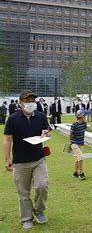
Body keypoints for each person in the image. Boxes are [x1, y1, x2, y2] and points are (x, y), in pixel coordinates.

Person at [3, 90, 51, 229]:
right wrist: (7, 159)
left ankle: (39, 210)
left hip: (38, 159)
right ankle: (26, 218)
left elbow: (46, 131)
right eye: (27, 101)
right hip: (20, 162)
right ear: (20, 102)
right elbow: (7, 139)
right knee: (23, 192)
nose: (31, 103)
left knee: (42, 185)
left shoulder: (41, 116)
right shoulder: (13, 119)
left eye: (32, 101)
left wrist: (47, 134)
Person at [70, 110, 87, 180]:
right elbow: (70, 135)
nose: (85, 117)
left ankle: (75, 172)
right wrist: (72, 142)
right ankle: (81, 173)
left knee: (78, 159)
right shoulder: (74, 125)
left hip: (81, 143)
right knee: (81, 157)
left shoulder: (84, 124)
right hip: (74, 143)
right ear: (81, 116)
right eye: (84, 116)